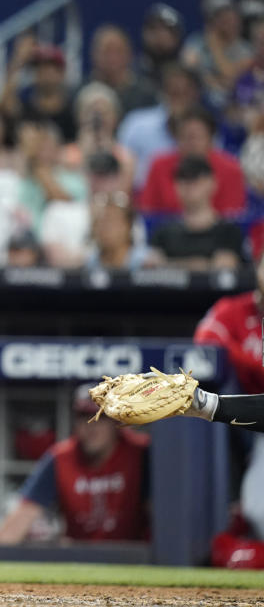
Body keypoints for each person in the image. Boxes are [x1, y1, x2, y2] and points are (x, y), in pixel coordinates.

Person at [0, 384, 150, 544]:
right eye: (84, 417)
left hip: (133, 557)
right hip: (81, 559)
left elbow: (163, 513)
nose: (91, 427)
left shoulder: (139, 452)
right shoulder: (61, 458)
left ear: (116, 421)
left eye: (100, 417)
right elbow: (20, 519)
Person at [194, 256, 264, 540]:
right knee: (259, 512)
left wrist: (246, 363)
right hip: (248, 419)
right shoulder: (234, 310)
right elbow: (205, 344)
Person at [137, 107, 246, 217]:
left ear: (210, 138)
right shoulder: (159, 166)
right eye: (185, 137)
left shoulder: (231, 169)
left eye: (196, 137)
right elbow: (148, 212)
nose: (191, 143)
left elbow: (233, 217)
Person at [149, 155, 244, 270]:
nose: (188, 185)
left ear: (213, 183)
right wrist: (206, 264)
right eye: (182, 178)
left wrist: (168, 263)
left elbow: (226, 266)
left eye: (195, 178)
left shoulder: (228, 232)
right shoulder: (164, 232)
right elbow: (151, 266)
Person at [117, 64, 203, 188]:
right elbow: (120, 166)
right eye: (174, 92)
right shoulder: (136, 123)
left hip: (193, 195)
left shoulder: (204, 128)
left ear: (195, 94)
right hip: (139, 196)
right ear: (163, 92)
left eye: (184, 92)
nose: (178, 99)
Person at [183, 0, 253, 110]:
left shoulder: (246, 49)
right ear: (211, 21)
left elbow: (232, 78)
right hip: (199, 102)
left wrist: (215, 46)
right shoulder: (196, 42)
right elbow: (188, 69)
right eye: (220, 17)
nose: (228, 21)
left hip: (234, 106)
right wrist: (212, 81)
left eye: (230, 15)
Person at [0, 39, 76, 142]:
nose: (44, 73)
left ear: (61, 74)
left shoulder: (71, 111)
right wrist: (18, 61)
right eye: (39, 68)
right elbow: (5, 105)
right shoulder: (26, 110)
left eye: (50, 68)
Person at [86, 25, 157, 116]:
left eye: (118, 51)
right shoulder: (81, 92)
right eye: (107, 52)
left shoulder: (146, 95)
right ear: (94, 54)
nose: (112, 58)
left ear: (130, 55)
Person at [139, 3, 185, 87]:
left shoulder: (188, 73)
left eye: (165, 30)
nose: (158, 35)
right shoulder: (134, 72)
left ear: (177, 36)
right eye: (153, 28)